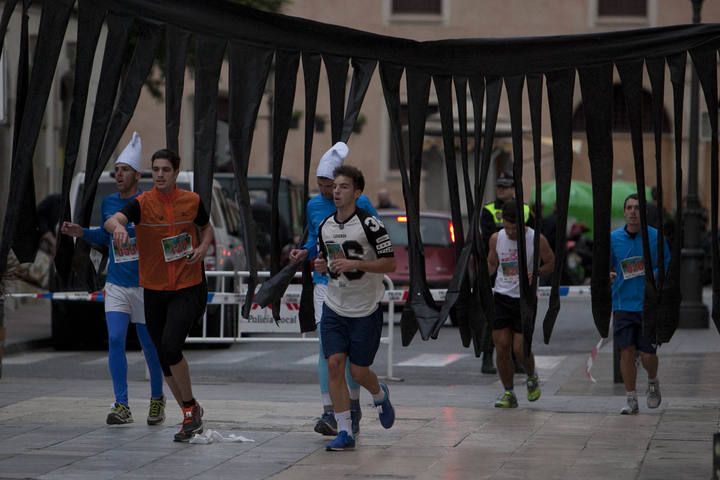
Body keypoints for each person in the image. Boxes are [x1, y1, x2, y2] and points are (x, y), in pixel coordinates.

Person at [105, 148, 213, 442]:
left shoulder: (192, 201)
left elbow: (206, 229)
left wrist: (203, 249)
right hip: (153, 290)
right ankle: (189, 414)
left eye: (166, 170)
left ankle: (190, 409)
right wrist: (117, 229)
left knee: (170, 346)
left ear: (176, 172)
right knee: (164, 356)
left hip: (187, 286)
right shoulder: (142, 203)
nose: (161, 175)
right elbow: (112, 220)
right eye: (156, 170)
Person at [60, 133, 165, 426]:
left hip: (146, 285)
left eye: (124, 170)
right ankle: (122, 405)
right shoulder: (109, 202)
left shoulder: (148, 202)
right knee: (116, 339)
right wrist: (81, 232)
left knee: (149, 346)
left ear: (137, 175)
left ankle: (157, 399)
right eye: (116, 170)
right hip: (117, 283)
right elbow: (107, 235)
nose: (118, 174)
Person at [289, 142, 376, 437]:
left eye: (333, 186)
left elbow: (377, 241)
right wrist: (303, 252)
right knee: (328, 350)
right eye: (323, 185)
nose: (329, 192)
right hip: (324, 285)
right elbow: (314, 237)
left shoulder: (362, 206)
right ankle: (329, 411)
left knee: (351, 356)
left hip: (354, 286)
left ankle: (353, 405)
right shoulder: (314, 205)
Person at [314, 164, 396, 451]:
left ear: (357, 192)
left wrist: (357, 264)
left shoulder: (371, 225)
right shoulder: (325, 226)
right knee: (335, 364)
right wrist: (323, 266)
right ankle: (345, 430)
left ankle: (380, 394)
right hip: (335, 305)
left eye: (344, 186)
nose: (336, 191)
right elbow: (328, 264)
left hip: (365, 309)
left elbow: (390, 263)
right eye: (334, 186)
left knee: (359, 372)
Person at [487, 200, 554, 408]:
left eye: (514, 228)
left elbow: (551, 262)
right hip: (501, 297)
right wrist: (481, 277)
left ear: (523, 224)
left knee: (519, 348)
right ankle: (508, 392)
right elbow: (491, 263)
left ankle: (531, 376)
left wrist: (538, 273)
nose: (510, 232)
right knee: (502, 346)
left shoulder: (536, 239)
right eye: (507, 227)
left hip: (525, 299)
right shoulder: (496, 238)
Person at [610, 193, 669, 415]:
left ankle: (652, 381)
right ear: (624, 212)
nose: (633, 212)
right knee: (626, 351)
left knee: (647, 355)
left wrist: (650, 276)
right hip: (623, 303)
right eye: (629, 208)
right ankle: (631, 398)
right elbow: (606, 267)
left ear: (643, 213)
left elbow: (666, 266)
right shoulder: (613, 238)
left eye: (637, 208)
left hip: (647, 305)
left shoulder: (656, 238)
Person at [480, 171, 534, 375]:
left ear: (513, 189)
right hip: (497, 274)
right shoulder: (488, 209)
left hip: (520, 273)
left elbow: (534, 238)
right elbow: (487, 239)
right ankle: (487, 357)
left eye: (506, 186)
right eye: (499, 186)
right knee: (493, 319)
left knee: (518, 322)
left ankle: (517, 359)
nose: (501, 190)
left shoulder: (526, 209)